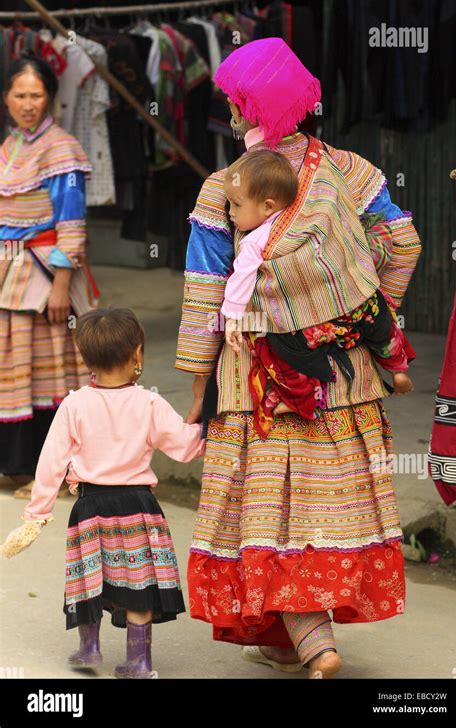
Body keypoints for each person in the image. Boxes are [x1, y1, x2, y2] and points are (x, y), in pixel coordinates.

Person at [176, 38, 422, 678]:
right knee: (324, 507)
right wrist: (356, 315)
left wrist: (198, 385)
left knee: (271, 509)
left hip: (257, 378)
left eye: (234, 101)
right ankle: (302, 639)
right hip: (343, 377)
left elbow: (206, 292)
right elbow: (404, 242)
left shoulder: (225, 187)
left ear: (249, 107)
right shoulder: (353, 172)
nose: (230, 111)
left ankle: (308, 642)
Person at [14, 308, 206, 679]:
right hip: (138, 506)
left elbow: (50, 462)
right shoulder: (149, 403)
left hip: (91, 505)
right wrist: (211, 424)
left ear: (84, 357)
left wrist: (37, 514)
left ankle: (89, 650)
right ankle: (140, 662)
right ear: (138, 354)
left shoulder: (74, 405)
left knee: (89, 578)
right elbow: (184, 447)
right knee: (138, 583)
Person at [221, 149, 415, 440]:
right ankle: (397, 367)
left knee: (278, 344)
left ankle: (303, 399)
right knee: (381, 320)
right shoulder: (314, 211)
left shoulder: (253, 242)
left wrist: (233, 317)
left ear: (268, 206)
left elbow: (241, 278)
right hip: (356, 305)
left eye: (236, 205)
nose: (231, 213)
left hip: (312, 327)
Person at [0, 54, 97, 499]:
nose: (27, 103)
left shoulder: (62, 149)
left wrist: (61, 283)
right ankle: (20, 467)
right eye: (19, 94)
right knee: (17, 369)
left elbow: (72, 221)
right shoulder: (10, 146)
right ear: (6, 98)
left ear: (51, 99)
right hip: (11, 271)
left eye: (36, 95)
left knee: (51, 371)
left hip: (47, 272)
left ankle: (55, 472)